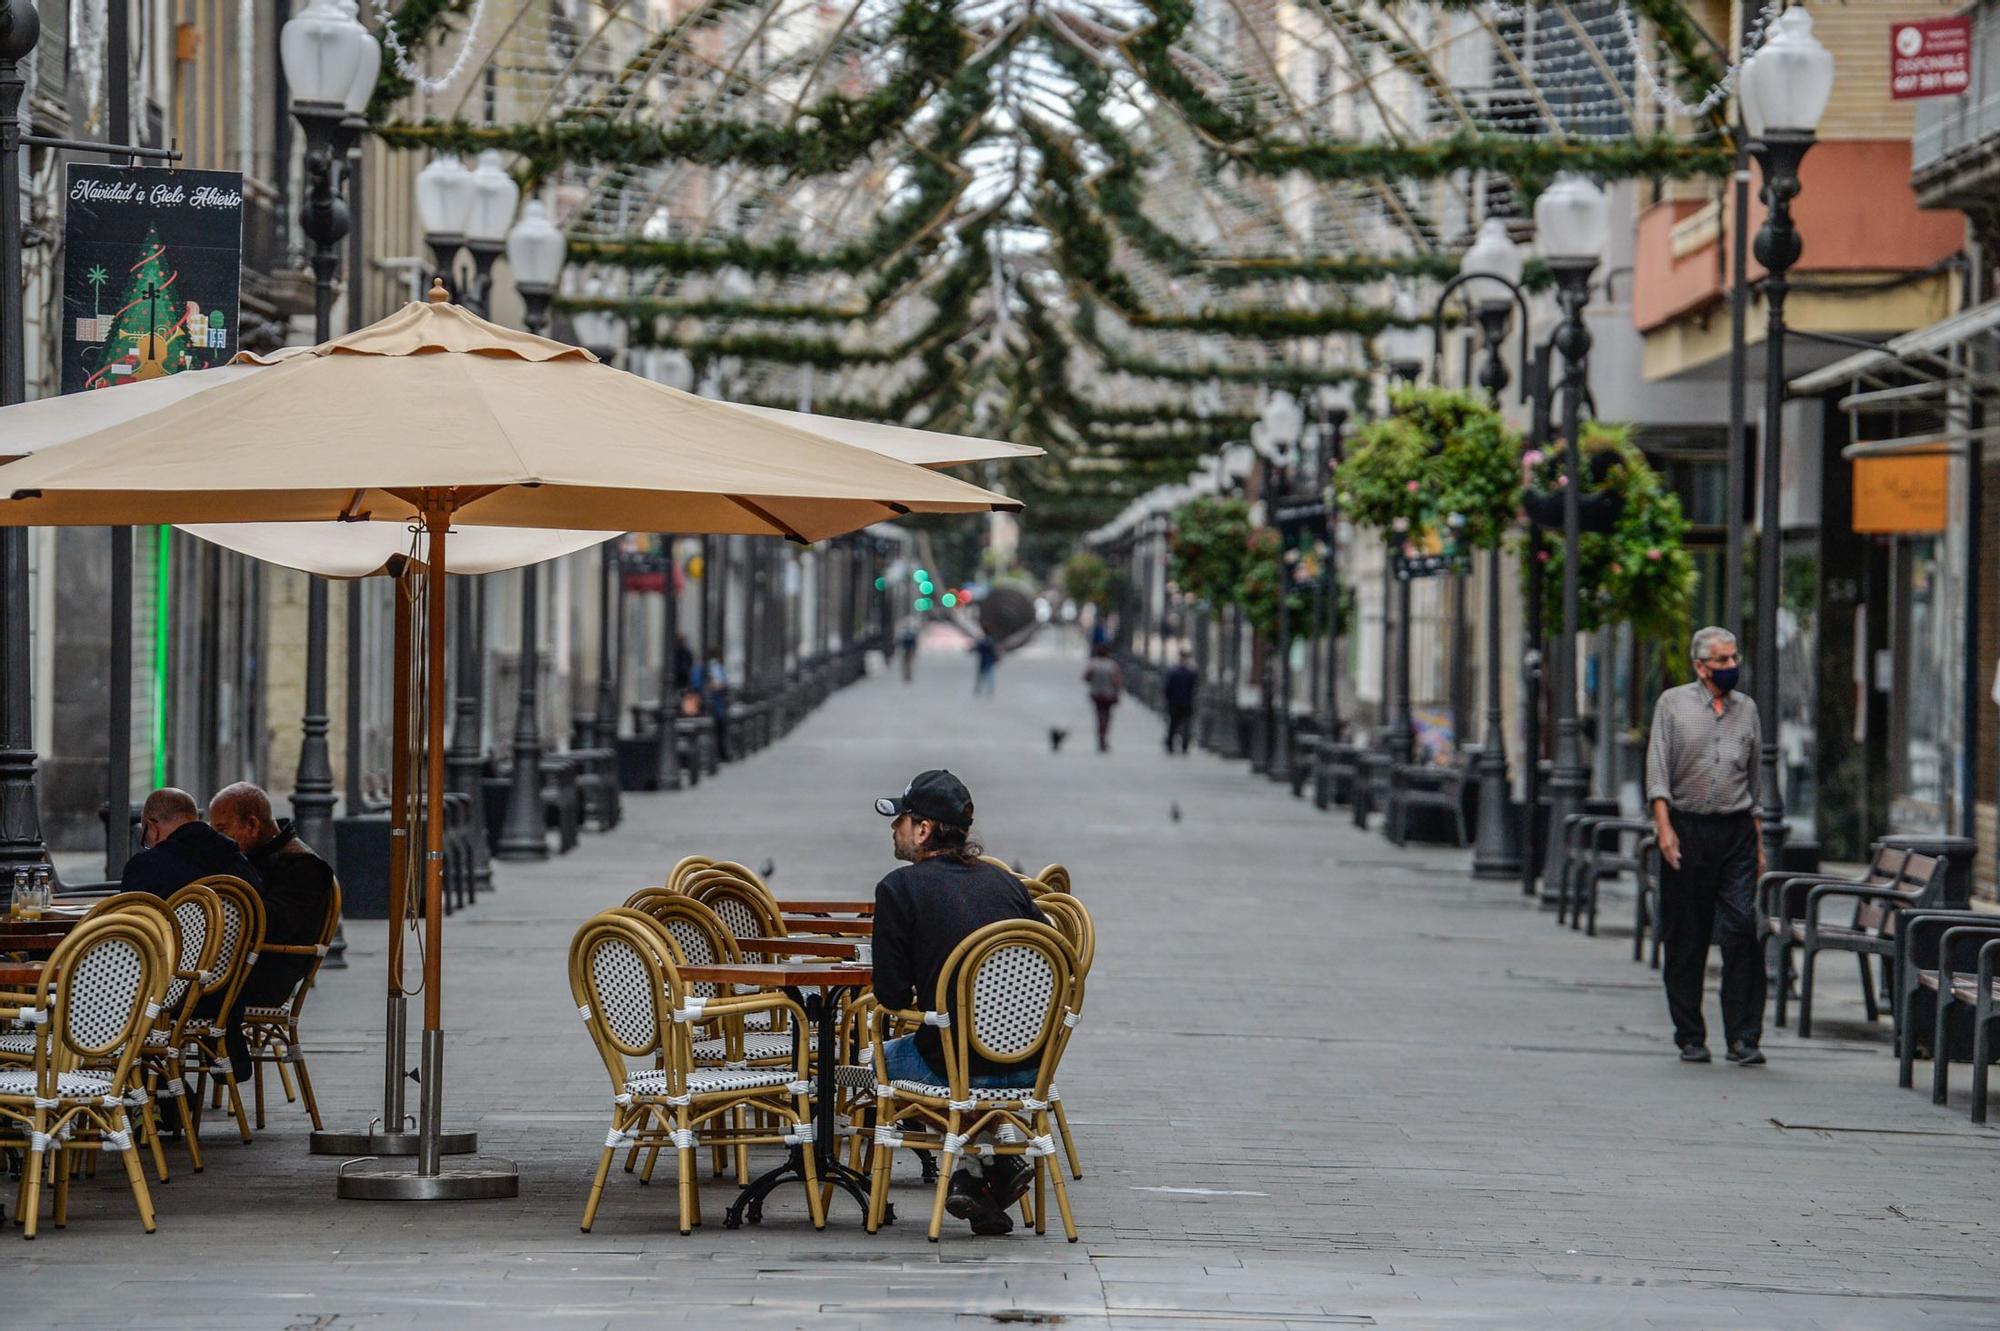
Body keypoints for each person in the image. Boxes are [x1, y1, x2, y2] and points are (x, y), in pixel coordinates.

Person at [870, 769, 1043, 1236]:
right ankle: (986, 1173)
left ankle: (976, 1170)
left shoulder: (898, 889)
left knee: (878, 1064)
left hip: (953, 1065)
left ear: (923, 830)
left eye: (901, 819)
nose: (893, 828)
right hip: (1028, 1066)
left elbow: (888, 996)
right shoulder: (1009, 886)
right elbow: (1047, 959)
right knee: (956, 1059)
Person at [1646, 626, 1766, 1068]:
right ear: (1700, 666)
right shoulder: (1672, 705)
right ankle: (1690, 1036)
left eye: (1735, 658)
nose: (1732, 667)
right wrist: (1664, 828)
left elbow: (1754, 778)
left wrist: (1757, 839)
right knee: (1686, 935)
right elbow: (1658, 770)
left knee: (1742, 928)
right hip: (1687, 828)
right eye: (1723, 661)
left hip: (1735, 830)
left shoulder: (1747, 710)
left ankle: (1744, 1036)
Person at [205, 782, 337, 1082]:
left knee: (179, 992)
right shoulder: (259, 858)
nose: (218, 839)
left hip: (266, 975)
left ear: (252, 825)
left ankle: (205, 1067)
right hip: (240, 965)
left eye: (223, 829)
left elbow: (273, 922)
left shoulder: (303, 866)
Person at [118, 787, 261, 898]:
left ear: (153, 828)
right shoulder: (237, 861)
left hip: (170, 936)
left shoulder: (144, 868)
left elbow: (130, 927)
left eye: (145, 840)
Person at [1083, 644, 1122, 752]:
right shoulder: (1112, 665)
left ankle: (1101, 736)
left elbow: (1086, 677)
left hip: (1096, 694)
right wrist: (1117, 693)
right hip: (1108, 696)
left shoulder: (1093, 664)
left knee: (1099, 716)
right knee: (1107, 717)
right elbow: (1116, 682)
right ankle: (1103, 736)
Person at [696, 648, 731, 761]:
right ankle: (720, 754)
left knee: (718, 730)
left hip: (714, 705)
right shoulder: (714, 668)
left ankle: (719, 754)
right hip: (715, 705)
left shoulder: (705, 668)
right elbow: (721, 685)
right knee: (719, 730)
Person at [1162, 650, 1199, 755]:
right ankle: (1184, 746)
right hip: (1186, 703)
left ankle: (1170, 745)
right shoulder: (1191, 672)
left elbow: (1167, 689)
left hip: (1174, 703)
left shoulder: (1173, 672)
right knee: (1186, 725)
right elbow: (1194, 688)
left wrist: (1168, 701)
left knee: (1173, 725)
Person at [971, 632, 999, 696]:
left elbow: (976, 649)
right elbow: (994, 652)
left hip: (984, 662)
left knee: (982, 677)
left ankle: (979, 690)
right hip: (988, 661)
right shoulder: (990, 643)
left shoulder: (982, 643)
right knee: (988, 677)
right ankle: (988, 690)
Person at [897, 618, 919, 683]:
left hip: (908, 650)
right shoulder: (910, 633)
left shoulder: (905, 633)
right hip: (907, 650)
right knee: (907, 663)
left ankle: (907, 674)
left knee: (907, 663)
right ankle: (907, 674)